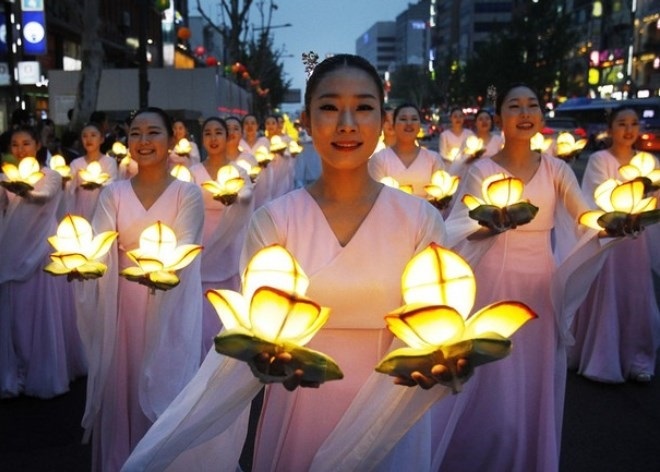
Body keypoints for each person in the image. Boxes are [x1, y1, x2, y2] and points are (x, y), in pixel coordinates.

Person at [123, 54, 471, 472]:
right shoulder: (276, 219)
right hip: (299, 404)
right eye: (328, 107)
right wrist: (261, 359)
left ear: (383, 121)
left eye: (363, 107)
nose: (346, 122)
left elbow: (439, 320)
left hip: (388, 411)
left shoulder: (419, 219)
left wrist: (444, 362)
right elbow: (257, 327)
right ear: (306, 121)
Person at [429, 83, 617, 472]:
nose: (525, 112)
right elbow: (459, 226)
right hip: (493, 283)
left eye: (532, 105)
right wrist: (491, 226)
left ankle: (529, 457)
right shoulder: (481, 169)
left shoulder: (556, 168)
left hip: (540, 286)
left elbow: (583, 213)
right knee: (491, 380)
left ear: (541, 117)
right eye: (514, 106)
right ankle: (479, 454)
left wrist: (615, 221)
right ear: (500, 117)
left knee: (532, 378)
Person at [81, 107, 204, 471]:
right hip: (123, 307)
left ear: (171, 142)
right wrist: (86, 266)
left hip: (169, 303)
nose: (144, 141)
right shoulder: (113, 193)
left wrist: (159, 272)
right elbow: (99, 245)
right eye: (136, 133)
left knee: (166, 384)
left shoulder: (188, 194)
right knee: (125, 383)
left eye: (153, 133)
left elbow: (185, 247)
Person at [569, 106, 660, 383]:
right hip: (610, 241)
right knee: (608, 293)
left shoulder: (649, 161)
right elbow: (595, 200)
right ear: (611, 129)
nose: (629, 129)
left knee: (636, 294)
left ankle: (638, 355)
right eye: (622, 123)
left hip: (637, 242)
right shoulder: (599, 160)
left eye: (634, 123)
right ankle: (602, 354)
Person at [0, 125, 86, 399]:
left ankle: (45, 369)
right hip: (13, 249)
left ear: (37, 145)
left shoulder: (48, 174)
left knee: (41, 310)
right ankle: (18, 369)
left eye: (26, 143)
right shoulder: (5, 177)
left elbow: (44, 196)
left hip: (40, 251)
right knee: (16, 315)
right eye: (15, 144)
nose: (21, 149)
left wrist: (24, 191)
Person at [190, 117, 254, 357]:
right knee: (201, 304)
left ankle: (225, 356)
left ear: (228, 137)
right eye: (208, 133)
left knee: (226, 300)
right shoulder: (193, 172)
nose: (213, 138)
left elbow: (248, 196)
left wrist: (237, 198)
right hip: (202, 240)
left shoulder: (238, 172)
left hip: (229, 244)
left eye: (219, 132)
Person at [368, 103, 444, 198]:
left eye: (414, 119)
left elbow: (440, 196)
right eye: (403, 119)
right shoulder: (379, 159)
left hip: (426, 211)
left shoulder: (433, 159)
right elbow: (375, 197)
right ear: (394, 124)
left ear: (420, 124)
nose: (409, 123)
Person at [66, 123, 119, 220]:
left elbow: (113, 184)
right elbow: (69, 187)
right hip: (81, 209)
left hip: (102, 207)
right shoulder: (76, 163)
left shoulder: (109, 162)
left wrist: (99, 184)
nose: (88, 139)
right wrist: (64, 181)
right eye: (84, 136)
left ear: (102, 139)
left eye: (93, 135)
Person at [448, 108, 504, 180]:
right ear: (475, 123)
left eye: (487, 119)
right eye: (480, 119)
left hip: (495, 177)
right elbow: (460, 162)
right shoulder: (469, 141)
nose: (484, 121)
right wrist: (472, 157)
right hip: (474, 177)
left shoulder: (498, 140)